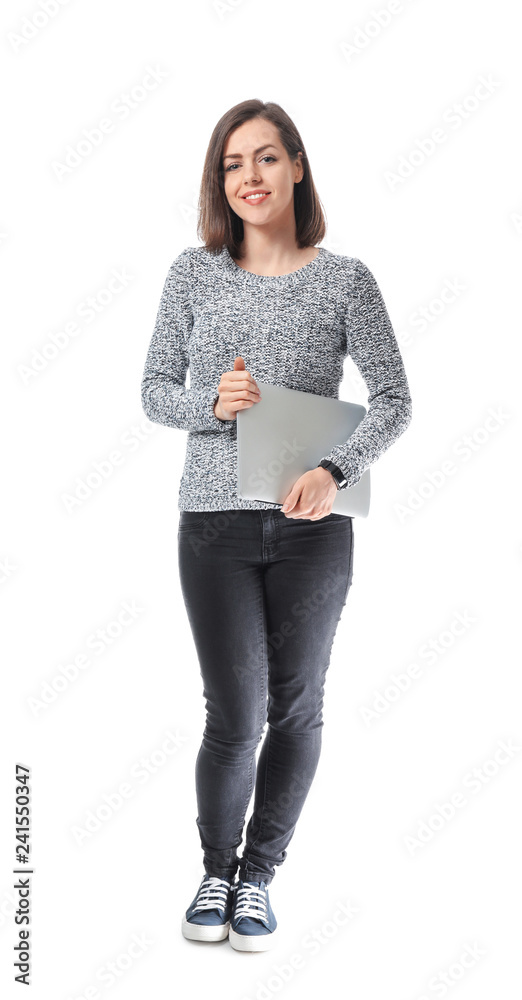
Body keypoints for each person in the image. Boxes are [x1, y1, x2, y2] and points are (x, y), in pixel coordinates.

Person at [140, 98, 413, 952]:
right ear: (219, 181)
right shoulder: (193, 273)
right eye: (232, 164)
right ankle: (216, 870)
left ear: (296, 165)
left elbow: (395, 399)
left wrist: (335, 471)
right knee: (235, 714)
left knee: (297, 706)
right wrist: (209, 405)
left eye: (264, 157)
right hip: (214, 527)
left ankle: (258, 877)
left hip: (312, 531)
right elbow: (153, 391)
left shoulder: (347, 280)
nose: (249, 176)